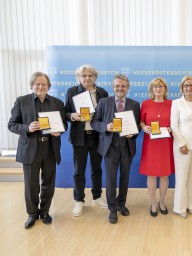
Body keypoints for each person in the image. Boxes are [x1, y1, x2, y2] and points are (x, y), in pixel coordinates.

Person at [8, 71, 68, 229]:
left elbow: (64, 124)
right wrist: (27, 127)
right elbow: (12, 124)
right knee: (31, 185)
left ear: (49, 86)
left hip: (50, 147)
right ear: (32, 86)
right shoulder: (22, 101)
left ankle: (45, 211)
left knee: (48, 182)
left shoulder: (57, 103)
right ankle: (32, 214)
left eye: (44, 84)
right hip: (30, 149)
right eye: (37, 84)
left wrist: (59, 130)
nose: (41, 87)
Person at [91, 74, 140, 224]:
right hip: (110, 147)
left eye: (123, 86)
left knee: (125, 178)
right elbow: (94, 122)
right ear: (113, 87)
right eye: (117, 86)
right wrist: (106, 126)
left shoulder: (134, 104)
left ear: (128, 87)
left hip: (127, 146)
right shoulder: (103, 102)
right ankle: (112, 209)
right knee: (111, 179)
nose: (120, 88)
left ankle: (121, 204)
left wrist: (134, 132)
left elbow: (137, 125)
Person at [65, 64, 109, 217]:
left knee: (97, 169)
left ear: (95, 77)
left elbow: (107, 114)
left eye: (90, 75)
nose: (87, 78)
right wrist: (72, 116)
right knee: (79, 170)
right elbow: (65, 112)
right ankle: (79, 200)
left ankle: (97, 197)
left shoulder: (102, 92)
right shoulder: (72, 91)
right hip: (79, 136)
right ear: (79, 78)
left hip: (97, 136)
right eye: (83, 76)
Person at [139, 77, 175, 217]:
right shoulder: (146, 103)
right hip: (151, 143)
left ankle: (162, 202)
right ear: (151, 89)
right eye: (155, 87)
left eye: (160, 86)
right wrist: (144, 127)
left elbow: (176, 121)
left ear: (165, 88)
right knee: (152, 174)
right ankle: (153, 203)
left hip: (166, 143)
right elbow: (141, 121)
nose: (158, 89)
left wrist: (172, 128)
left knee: (165, 174)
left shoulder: (172, 103)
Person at [171, 76, 192, 218]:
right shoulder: (176, 103)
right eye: (186, 85)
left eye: (191, 85)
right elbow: (174, 125)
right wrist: (181, 144)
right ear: (182, 88)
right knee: (182, 177)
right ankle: (180, 208)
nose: (189, 88)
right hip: (182, 145)